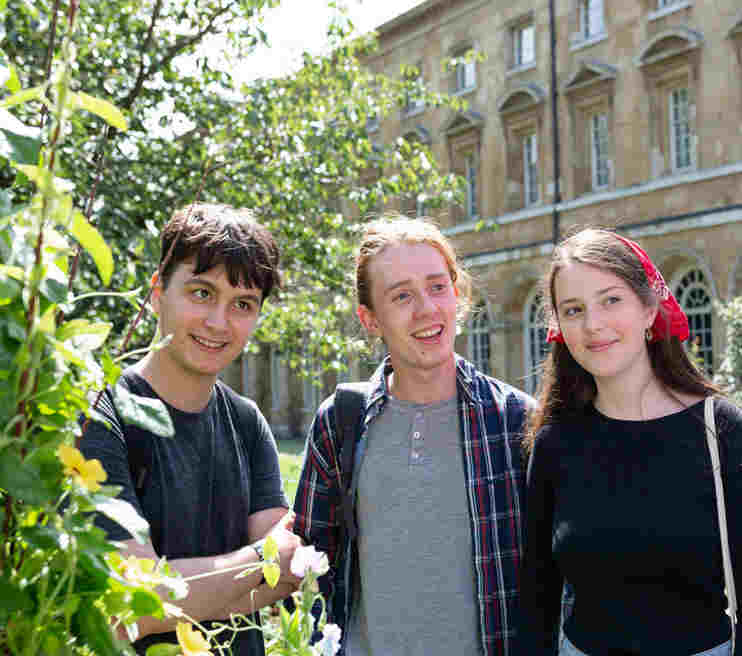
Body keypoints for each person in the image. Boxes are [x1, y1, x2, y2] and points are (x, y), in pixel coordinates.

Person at [293, 216, 535, 656]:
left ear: (456, 293)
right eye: (402, 295)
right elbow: (311, 573)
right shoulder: (340, 422)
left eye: (437, 287)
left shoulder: (515, 420)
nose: (427, 309)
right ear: (369, 318)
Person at [80, 203, 302, 656]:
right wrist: (258, 561)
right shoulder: (103, 414)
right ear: (158, 289)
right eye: (202, 293)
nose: (218, 322)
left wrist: (171, 590)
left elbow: (289, 572)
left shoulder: (247, 422)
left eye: (242, 304)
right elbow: (129, 601)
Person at [521, 227, 742, 656]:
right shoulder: (555, 443)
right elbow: (536, 598)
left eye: (611, 300)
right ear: (559, 327)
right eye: (573, 309)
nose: (593, 325)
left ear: (648, 309)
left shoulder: (722, 430)